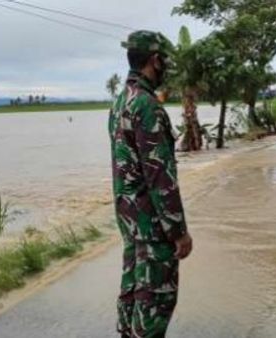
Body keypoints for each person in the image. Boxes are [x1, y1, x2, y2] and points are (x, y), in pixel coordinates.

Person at [109, 30, 193, 338]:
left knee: (133, 293)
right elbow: (160, 178)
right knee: (155, 303)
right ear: (155, 60)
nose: (166, 67)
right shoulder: (147, 106)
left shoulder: (119, 103)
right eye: (164, 61)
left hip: (129, 222)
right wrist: (179, 232)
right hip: (152, 225)